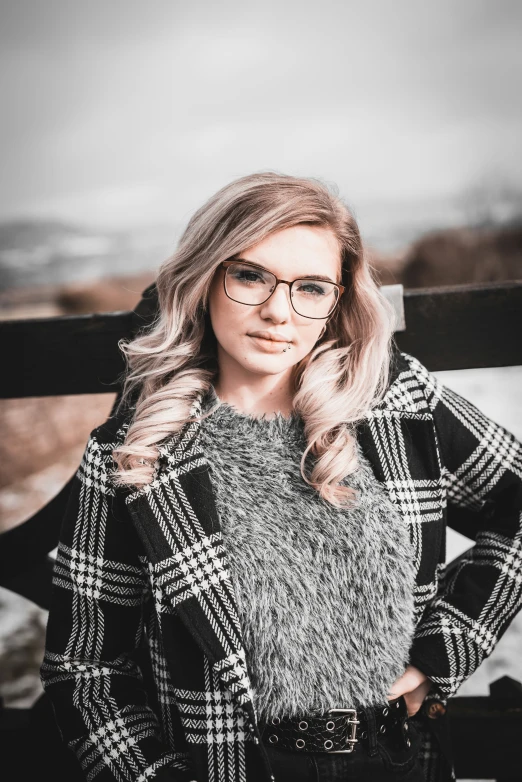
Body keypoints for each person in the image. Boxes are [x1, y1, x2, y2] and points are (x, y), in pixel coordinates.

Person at [41, 172, 522, 782]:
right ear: (205, 276)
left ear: (338, 300)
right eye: (250, 276)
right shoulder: (135, 454)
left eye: (312, 288)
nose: (278, 312)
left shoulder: (399, 404)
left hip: (399, 761)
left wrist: (443, 651)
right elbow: (85, 672)